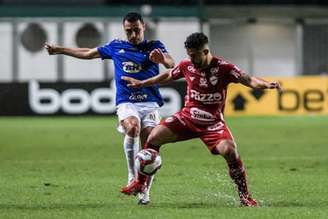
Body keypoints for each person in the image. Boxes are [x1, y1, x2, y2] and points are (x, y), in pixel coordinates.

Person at [120, 32, 282, 207]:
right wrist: (143, 83)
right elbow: (168, 75)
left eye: (194, 55)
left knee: (230, 151)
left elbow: (249, 80)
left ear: (205, 52)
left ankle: (245, 196)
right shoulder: (186, 65)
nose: (191, 59)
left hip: (213, 124)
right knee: (154, 136)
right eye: (189, 55)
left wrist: (267, 84)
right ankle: (140, 183)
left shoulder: (224, 68)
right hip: (187, 118)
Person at [45, 12, 175, 205]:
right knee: (132, 127)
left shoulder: (154, 46)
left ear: (144, 27)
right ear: (124, 29)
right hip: (127, 101)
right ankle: (132, 177)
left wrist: (162, 60)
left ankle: (144, 191)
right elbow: (88, 53)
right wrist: (60, 49)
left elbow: (171, 63)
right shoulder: (116, 46)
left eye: (136, 30)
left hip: (150, 102)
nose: (133, 35)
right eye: (129, 31)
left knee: (149, 147)